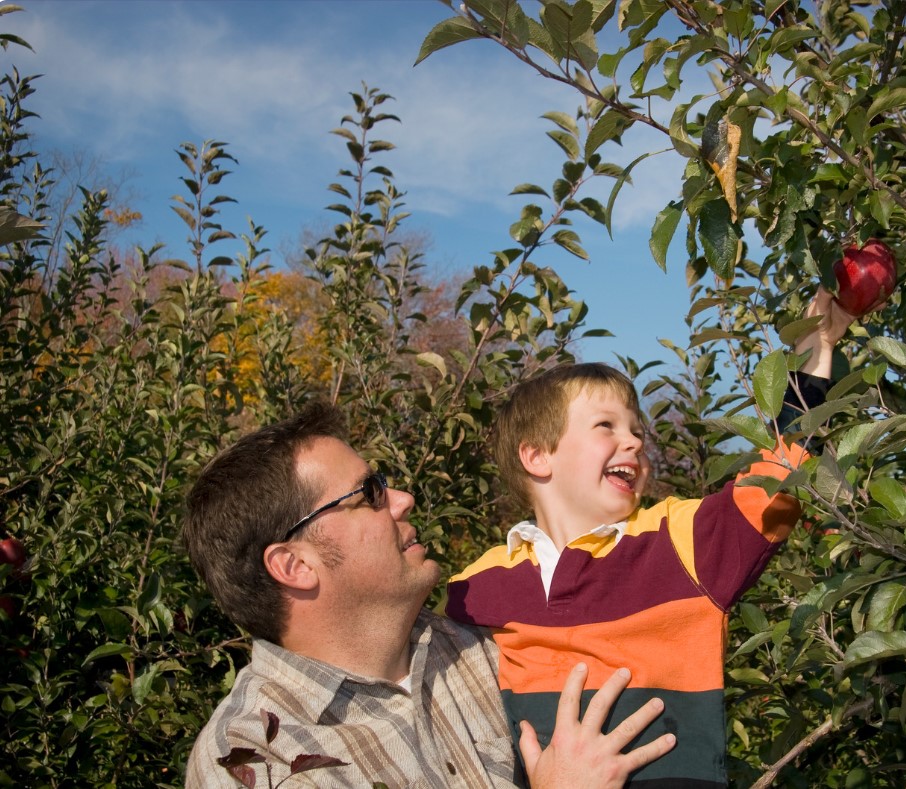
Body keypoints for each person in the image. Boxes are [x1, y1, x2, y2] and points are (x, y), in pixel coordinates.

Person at [445, 290, 856, 788]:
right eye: (606, 426)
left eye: (638, 430)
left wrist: (815, 355)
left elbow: (779, 474)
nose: (636, 441)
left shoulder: (680, 541)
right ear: (537, 457)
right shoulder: (475, 585)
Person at [182, 403, 676, 788]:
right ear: (295, 565)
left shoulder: (488, 646)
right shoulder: (250, 760)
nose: (401, 499)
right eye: (369, 493)